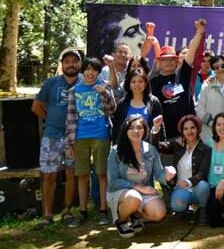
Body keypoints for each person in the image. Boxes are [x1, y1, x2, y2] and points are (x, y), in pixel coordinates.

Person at [31, 49, 82, 228]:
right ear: (62, 64)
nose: (71, 64)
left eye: (74, 61)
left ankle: (67, 211)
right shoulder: (51, 83)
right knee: (49, 175)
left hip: (76, 138)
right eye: (67, 61)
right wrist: (52, 119)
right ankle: (47, 214)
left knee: (71, 174)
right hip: (52, 136)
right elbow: (36, 106)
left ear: (79, 64)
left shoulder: (85, 82)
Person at [65, 57, 116, 227]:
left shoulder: (103, 87)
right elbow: (71, 118)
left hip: (100, 135)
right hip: (80, 137)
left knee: (101, 173)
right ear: (83, 71)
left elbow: (112, 110)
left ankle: (103, 210)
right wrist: (69, 143)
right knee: (82, 175)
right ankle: (82, 211)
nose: (90, 73)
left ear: (98, 72)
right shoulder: (74, 91)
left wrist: (105, 93)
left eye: (94, 70)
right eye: (87, 69)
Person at [107, 115, 175, 238]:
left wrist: (168, 174)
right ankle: (121, 220)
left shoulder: (151, 150)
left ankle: (135, 215)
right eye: (131, 128)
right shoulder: (116, 151)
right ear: (125, 130)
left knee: (159, 213)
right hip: (121, 192)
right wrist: (137, 187)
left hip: (143, 191)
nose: (136, 131)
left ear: (145, 130)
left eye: (139, 127)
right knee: (134, 197)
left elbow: (159, 173)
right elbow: (113, 182)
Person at [150, 19, 205, 140]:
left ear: (177, 61)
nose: (169, 62)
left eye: (172, 59)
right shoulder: (153, 82)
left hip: (189, 134)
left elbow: (191, 52)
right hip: (166, 136)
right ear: (159, 62)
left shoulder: (183, 75)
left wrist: (199, 32)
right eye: (165, 59)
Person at [152, 115, 211, 221]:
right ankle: (185, 210)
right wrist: (156, 129)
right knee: (177, 206)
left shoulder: (205, 149)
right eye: (186, 129)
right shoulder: (177, 144)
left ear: (198, 129)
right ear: (182, 131)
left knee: (203, 186)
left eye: (192, 127)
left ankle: (203, 210)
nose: (189, 131)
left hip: (197, 187)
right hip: (181, 188)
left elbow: (203, 173)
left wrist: (188, 182)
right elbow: (158, 146)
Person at [112, 69, 163, 142]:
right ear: (129, 85)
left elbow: (159, 127)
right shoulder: (122, 103)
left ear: (145, 84)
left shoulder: (154, 102)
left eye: (140, 81)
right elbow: (116, 128)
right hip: (126, 147)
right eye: (133, 82)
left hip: (148, 147)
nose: (137, 85)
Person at [196, 55, 224, 144]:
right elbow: (199, 108)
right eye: (216, 67)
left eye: (223, 66)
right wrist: (212, 123)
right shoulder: (206, 85)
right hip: (209, 135)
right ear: (213, 69)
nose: (220, 69)